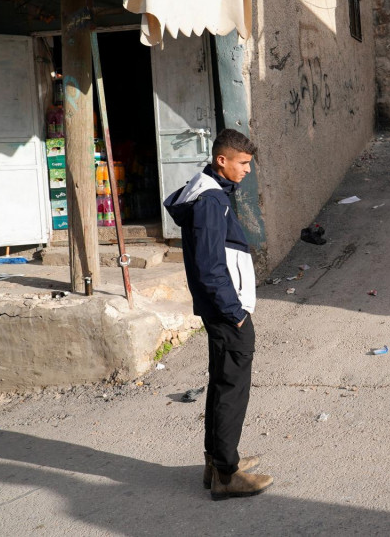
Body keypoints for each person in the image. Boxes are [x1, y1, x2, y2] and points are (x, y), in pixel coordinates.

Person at [164, 128, 273, 500]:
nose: (247, 171)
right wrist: (235, 312)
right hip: (228, 312)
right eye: (242, 164)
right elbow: (211, 266)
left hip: (222, 310)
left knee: (221, 382)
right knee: (231, 389)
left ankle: (218, 461)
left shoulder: (210, 190)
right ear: (221, 160)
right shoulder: (211, 201)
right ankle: (227, 475)